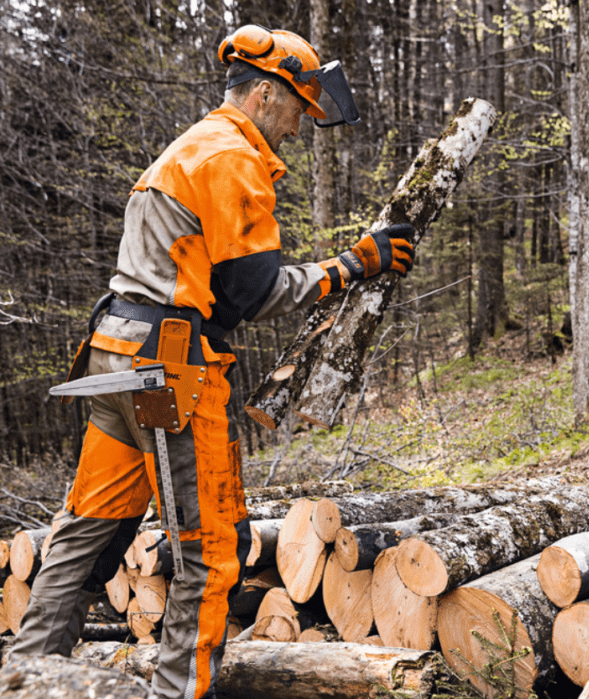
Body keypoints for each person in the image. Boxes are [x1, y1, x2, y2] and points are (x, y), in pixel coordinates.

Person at [10, 25, 413, 699]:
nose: (297, 128)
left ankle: (25, 675)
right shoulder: (233, 157)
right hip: (168, 367)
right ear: (263, 94)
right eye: (294, 111)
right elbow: (249, 292)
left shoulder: (191, 147)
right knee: (209, 547)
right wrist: (351, 264)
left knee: (85, 533)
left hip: (114, 358)